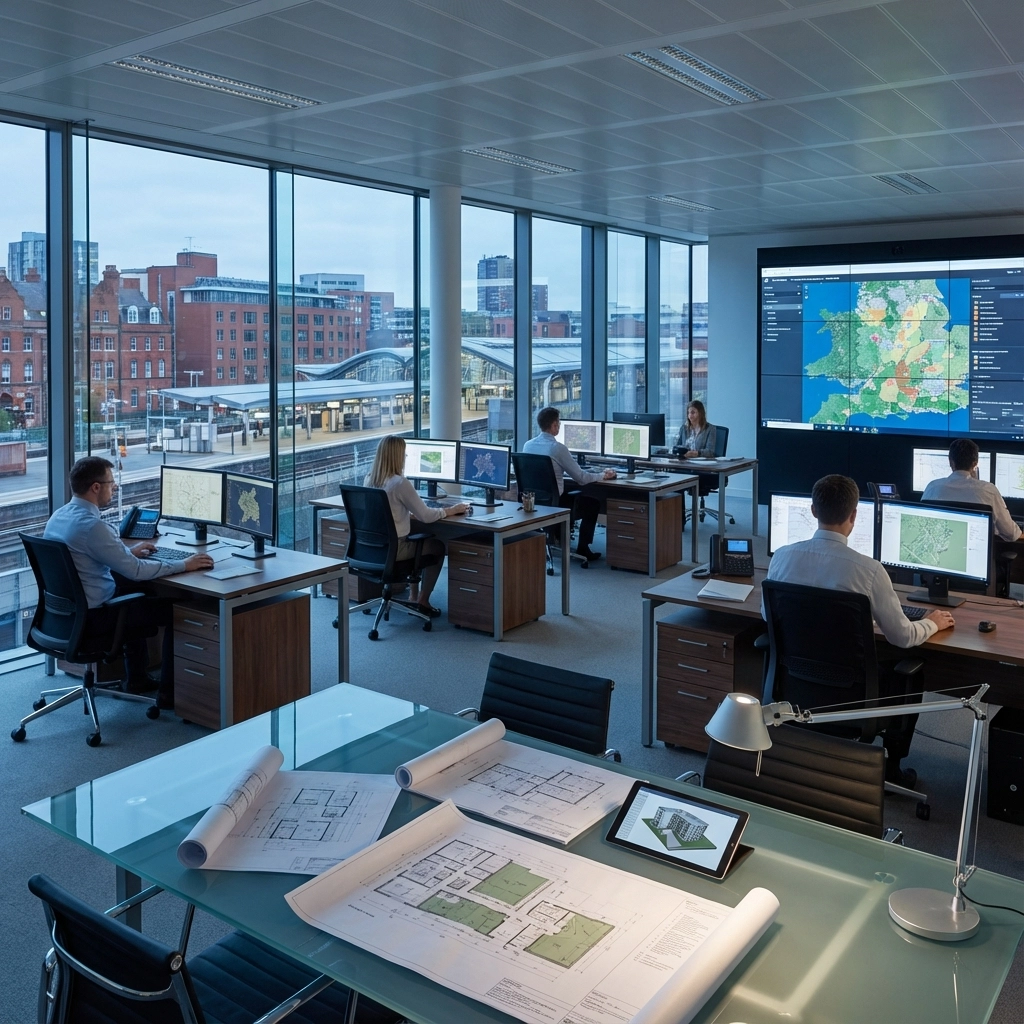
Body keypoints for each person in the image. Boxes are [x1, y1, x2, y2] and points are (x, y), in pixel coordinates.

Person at [766, 473, 955, 785]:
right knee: (910, 671)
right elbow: (903, 637)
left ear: (813, 511)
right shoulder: (869, 571)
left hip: (793, 683)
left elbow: (767, 616)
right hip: (851, 693)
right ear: (854, 515)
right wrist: (932, 622)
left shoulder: (782, 558)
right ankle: (892, 768)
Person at [43, 457, 214, 709]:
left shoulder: (60, 516)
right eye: (111, 483)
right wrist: (184, 564)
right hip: (96, 618)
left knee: (137, 592)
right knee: (175, 612)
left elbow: (87, 556)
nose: (115, 489)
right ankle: (168, 695)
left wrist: (125, 552)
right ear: (96, 487)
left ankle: (137, 679)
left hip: (66, 615)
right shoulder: (93, 526)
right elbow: (135, 571)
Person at [365, 435, 468, 617]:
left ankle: (413, 595)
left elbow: (387, 512)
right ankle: (423, 600)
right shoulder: (399, 483)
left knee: (418, 531)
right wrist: (452, 510)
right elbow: (427, 516)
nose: (405, 458)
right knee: (436, 546)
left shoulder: (370, 479)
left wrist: (405, 513)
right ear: (397, 456)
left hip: (374, 549)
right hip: (396, 550)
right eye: (403, 455)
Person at [523, 406, 616, 561]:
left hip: (535, 502)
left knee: (569, 494)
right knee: (593, 503)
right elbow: (581, 478)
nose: (559, 426)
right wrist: (602, 476)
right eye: (558, 423)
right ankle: (583, 548)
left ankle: (557, 540)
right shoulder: (557, 448)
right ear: (554, 426)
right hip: (555, 503)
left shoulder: (528, 445)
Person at [922, 438, 1021, 542]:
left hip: (939, 551)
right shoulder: (988, 491)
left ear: (950, 462)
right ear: (975, 464)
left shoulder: (932, 487)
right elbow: (1011, 534)